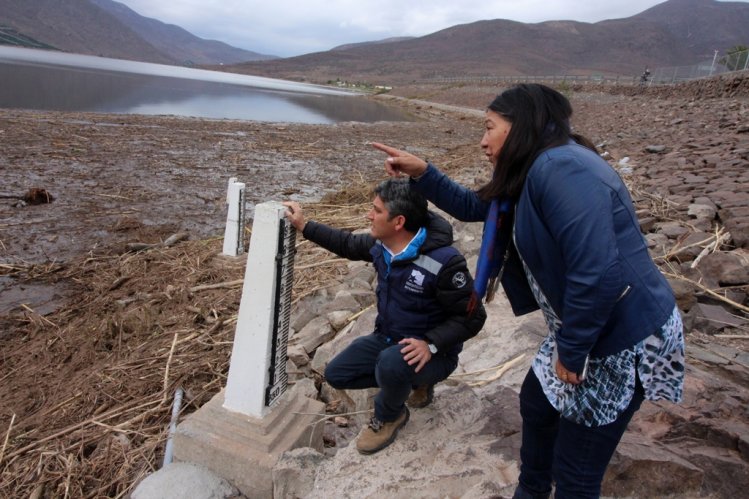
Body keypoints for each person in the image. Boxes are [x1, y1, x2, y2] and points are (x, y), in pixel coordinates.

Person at [371, 84, 684, 498]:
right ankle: (531, 489)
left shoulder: (562, 168)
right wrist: (422, 172)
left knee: (578, 473)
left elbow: (598, 269)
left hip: (618, 338)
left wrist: (572, 349)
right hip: (589, 329)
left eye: (490, 128)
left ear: (521, 129)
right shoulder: (532, 171)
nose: (482, 141)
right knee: (537, 404)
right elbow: (472, 206)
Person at [283, 178, 486, 455]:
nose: (369, 215)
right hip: (388, 338)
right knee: (337, 373)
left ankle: (391, 416)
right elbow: (347, 243)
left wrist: (431, 344)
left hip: (433, 352)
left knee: (391, 364)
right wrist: (304, 226)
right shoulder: (382, 246)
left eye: (376, 210)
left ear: (398, 222)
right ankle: (414, 382)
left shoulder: (445, 262)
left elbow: (474, 317)